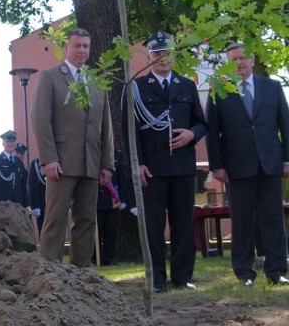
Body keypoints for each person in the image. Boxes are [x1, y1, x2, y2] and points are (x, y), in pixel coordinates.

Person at [123, 31, 206, 293]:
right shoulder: (136, 87)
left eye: (166, 53)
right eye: (157, 53)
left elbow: (201, 123)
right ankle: (157, 278)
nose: (162, 58)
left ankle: (182, 277)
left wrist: (192, 134)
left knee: (183, 223)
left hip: (182, 165)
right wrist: (138, 163)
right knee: (154, 226)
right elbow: (130, 130)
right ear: (149, 56)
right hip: (153, 168)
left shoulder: (187, 85)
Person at [205, 42, 289, 287]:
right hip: (237, 167)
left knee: (273, 218)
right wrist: (216, 165)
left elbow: (285, 126)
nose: (239, 63)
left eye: (243, 58)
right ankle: (244, 273)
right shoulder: (219, 90)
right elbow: (213, 132)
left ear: (252, 60)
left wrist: (287, 159)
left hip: (270, 164)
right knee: (241, 221)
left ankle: (277, 271)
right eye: (233, 60)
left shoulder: (272, 88)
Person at [30, 28, 114, 267]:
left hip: (91, 162)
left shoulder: (97, 81)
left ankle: (81, 276)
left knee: (86, 220)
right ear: (66, 48)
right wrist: (49, 159)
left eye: (86, 46)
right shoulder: (51, 77)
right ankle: (49, 275)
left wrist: (107, 163)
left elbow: (105, 126)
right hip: (61, 162)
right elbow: (40, 120)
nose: (82, 51)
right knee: (55, 219)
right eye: (77, 46)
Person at [0, 131, 29, 207]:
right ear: (3, 144)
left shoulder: (19, 162)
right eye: (8, 142)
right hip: (3, 205)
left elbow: (23, 187)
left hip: (18, 205)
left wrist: (27, 205)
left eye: (12, 142)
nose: (10, 144)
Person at [26, 154, 46, 235]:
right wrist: (35, 206)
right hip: (42, 205)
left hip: (56, 204)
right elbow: (32, 186)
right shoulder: (35, 164)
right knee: (43, 230)